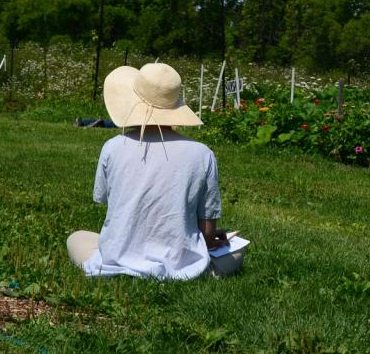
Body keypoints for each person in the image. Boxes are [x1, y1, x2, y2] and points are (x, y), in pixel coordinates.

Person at [66, 63, 244, 279]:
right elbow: (206, 234)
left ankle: (123, 267)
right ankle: (184, 272)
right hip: (178, 262)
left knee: (76, 238)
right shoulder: (202, 154)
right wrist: (206, 238)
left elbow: (106, 201)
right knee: (237, 253)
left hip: (119, 256)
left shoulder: (112, 147)